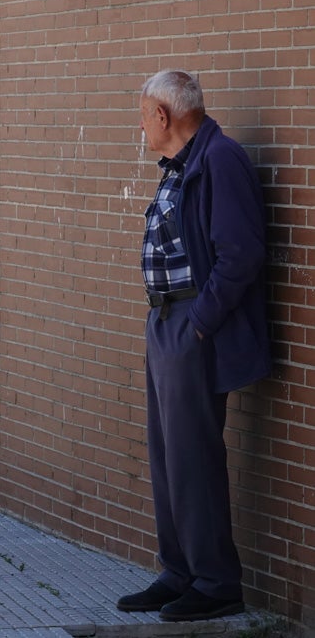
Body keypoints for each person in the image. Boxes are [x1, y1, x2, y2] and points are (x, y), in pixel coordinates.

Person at [115, 70, 269, 622]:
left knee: (193, 457)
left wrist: (198, 323)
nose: (141, 128)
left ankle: (215, 581)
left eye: (142, 117)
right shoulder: (182, 165)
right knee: (167, 456)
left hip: (190, 324)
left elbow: (242, 254)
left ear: (162, 115)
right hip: (166, 323)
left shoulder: (219, 159)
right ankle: (179, 572)